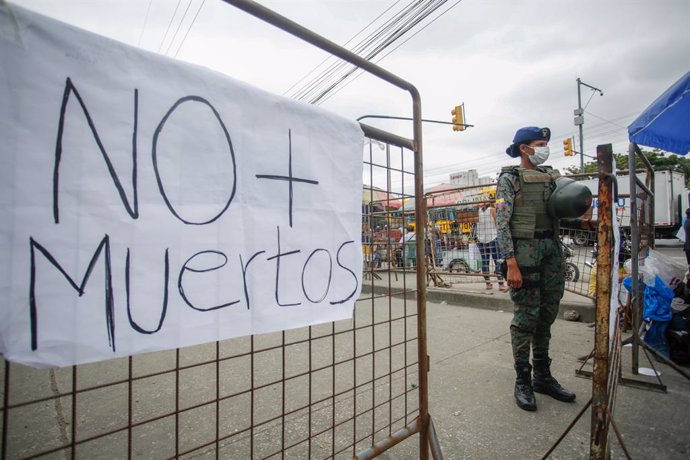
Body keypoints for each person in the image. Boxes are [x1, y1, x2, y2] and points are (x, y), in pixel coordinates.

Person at [495, 126, 576, 412]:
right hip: (524, 254)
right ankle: (523, 380)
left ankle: (543, 376)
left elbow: (567, 206)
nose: (545, 148)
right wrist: (511, 264)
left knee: (546, 314)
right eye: (540, 144)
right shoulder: (509, 179)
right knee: (525, 318)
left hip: (552, 251)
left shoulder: (553, 177)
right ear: (524, 149)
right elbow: (502, 223)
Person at [476, 201, 508, 291]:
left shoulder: (476, 212)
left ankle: (488, 284)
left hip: (481, 239)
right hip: (493, 238)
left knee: (485, 261)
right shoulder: (492, 210)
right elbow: (498, 223)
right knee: (498, 261)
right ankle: (501, 284)